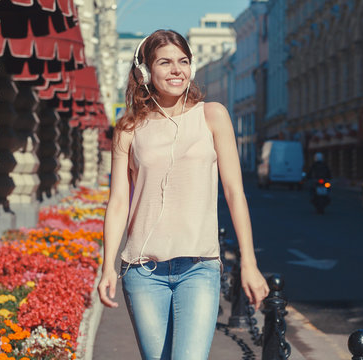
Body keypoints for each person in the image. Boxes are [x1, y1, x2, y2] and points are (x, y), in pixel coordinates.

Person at [97, 29, 269, 360]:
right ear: (145, 71)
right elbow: (118, 202)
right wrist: (107, 266)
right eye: (165, 62)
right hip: (142, 271)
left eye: (184, 61)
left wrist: (249, 262)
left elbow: (235, 193)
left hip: (199, 268)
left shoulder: (212, 115)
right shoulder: (128, 129)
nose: (177, 70)